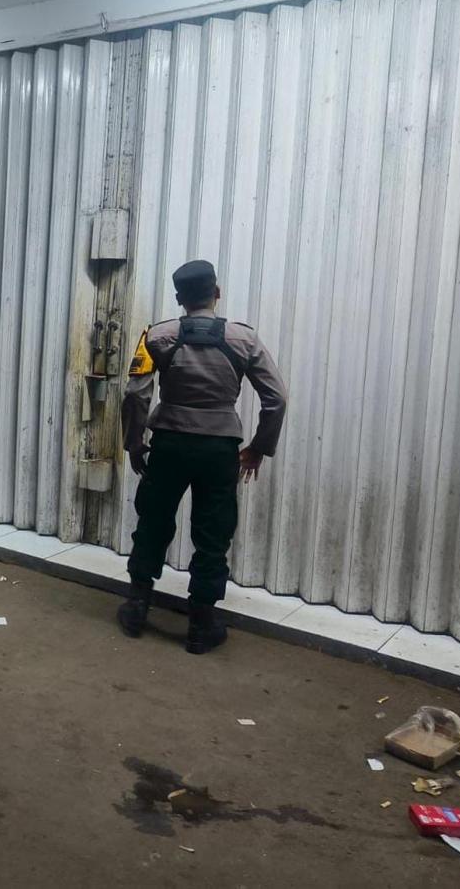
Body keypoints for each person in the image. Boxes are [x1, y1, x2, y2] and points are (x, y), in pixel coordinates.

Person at [119, 259, 287, 653]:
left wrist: (134, 443)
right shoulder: (245, 339)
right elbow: (277, 398)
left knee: (153, 521)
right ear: (217, 293)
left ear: (180, 298)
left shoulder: (156, 335)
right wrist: (258, 448)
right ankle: (201, 625)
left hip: (169, 445)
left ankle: (137, 608)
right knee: (213, 531)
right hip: (218, 449)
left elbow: (135, 394)